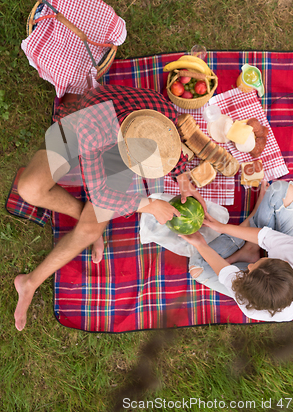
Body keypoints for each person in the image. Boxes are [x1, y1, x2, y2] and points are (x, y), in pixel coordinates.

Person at [14, 84, 207, 331]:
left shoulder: (161, 115)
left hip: (119, 138)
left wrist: (183, 180)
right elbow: (102, 195)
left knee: (90, 230)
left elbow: (171, 146)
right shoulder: (94, 132)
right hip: (78, 127)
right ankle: (87, 219)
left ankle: (30, 282)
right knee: (30, 188)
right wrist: (149, 205)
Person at [180, 180, 293, 322]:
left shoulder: (249, 302)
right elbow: (263, 236)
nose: (248, 267)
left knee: (197, 267)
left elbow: (225, 272)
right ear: (283, 259)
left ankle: (251, 234)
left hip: (272, 280)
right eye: (256, 264)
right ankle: (250, 246)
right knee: (280, 190)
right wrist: (221, 227)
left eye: (249, 270)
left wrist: (200, 244)